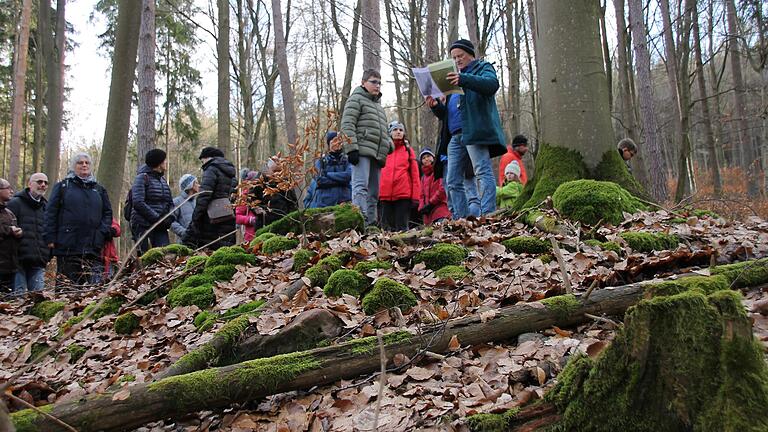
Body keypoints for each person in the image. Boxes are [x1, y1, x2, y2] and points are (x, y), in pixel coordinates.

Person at [426, 39, 506, 219]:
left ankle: (487, 214)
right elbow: (447, 114)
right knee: (452, 180)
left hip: (474, 131)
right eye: (454, 57)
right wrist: (435, 106)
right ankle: (460, 220)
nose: (457, 60)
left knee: (482, 171)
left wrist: (464, 79)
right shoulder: (452, 77)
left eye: (460, 56)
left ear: (470, 54)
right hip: (454, 136)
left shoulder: (482, 68)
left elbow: (491, 85)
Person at [44, 153, 113, 286]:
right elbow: (50, 213)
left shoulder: (99, 189)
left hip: (93, 245)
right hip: (68, 244)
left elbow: (108, 213)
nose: (84, 165)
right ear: (73, 166)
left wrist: (102, 232)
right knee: (67, 285)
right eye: (80, 162)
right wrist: (50, 237)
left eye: (87, 162)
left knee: (90, 286)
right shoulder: (63, 187)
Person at [340, 69, 393, 226]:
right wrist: (351, 148)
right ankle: (359, 222)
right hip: (361, 151)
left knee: (374, 193)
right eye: (373, 82)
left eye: (379, 82)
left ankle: (371, 223)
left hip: (377, 155)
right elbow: (347, 124)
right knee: (360, 188)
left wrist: (388, 145)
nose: (377, 85)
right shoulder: (355, 99)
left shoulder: (379, 107)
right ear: (363, 83)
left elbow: (383, 131)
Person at [183, 147, 238, 250]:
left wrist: (196, 217)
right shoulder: (232, 174)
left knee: (208, 251)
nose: (202, 164)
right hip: (228, 216)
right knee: (225, 249)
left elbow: (204, 195)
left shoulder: (211, 169)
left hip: (211, 220)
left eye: (202, 160)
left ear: (208, 158)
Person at [7, 173, 50, 293]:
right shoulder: (15, 203)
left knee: (38, 300)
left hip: (39, 261)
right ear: (29, 184)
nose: (43, 185)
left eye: (46, 183)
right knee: (17, 301)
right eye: (39, 182)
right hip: (18, 262)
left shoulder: (47, 207)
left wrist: (47, 254)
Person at [378, 121, 421, 231]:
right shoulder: (383, 150)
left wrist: (416, 196)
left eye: (401, 130)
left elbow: (415, 174)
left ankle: (405, 248)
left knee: (402, 228)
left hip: (403, 195)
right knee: (386, 229)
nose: (398, 132)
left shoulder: (408, 150)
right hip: (384, 195)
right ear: (390, 133)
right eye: (395, 130)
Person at [130, 149, 174, 254]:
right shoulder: (141, 178)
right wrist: (157, 218)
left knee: (165, 255)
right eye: (164, 160)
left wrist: (170, 217)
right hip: (143, 226)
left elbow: (170, 203)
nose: (166, 162)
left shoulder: (163, 181)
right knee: (145, 258)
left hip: (161, 227)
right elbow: (138, 202)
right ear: (159, 163)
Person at [306, 131, 352, 209]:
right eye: (334, 140)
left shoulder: (347, 160)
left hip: (344, 203)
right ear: (329, 144)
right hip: (325, 205)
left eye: (339, 140)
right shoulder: (321, 161)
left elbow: (348, 176)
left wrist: (327, 174)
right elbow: (320, 180)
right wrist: (341, 181)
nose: (337, 143)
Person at [249, 159, 298, 228]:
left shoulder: (286, 181)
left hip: (285, 221)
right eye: (274, 171)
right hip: (265, 222)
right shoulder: (260, 180)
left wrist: (292, 218)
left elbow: (293, 202)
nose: (277, 174)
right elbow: (250, 198)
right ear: (268, 169)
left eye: (279, 171)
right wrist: (256, 209)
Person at [417, 148, 450, 225]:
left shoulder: (438, 171)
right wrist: (421, 207)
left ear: (433, 157)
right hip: (428, 214)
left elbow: (442, 189)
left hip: (441, 210)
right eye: (423, 158)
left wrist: (431, 203)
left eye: (428, 156)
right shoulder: (423, 177)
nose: (426, 159)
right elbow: (421, 195)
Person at [0, 179, 22, 293]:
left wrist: (18, 234)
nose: (11, 191)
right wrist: (9, 230)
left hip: (10, 266)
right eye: (7, 188)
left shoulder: (9, 213)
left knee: (8, 302)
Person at [171, 174, 198, 242]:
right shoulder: (176, 202)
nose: (199, 185)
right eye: (196, 183)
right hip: (183, 243)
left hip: (198, 242)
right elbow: (171, 222)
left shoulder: (197, 202)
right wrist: (185, 233)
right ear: (190, 185)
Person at [236, 170, 261, 243]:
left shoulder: (267, 192)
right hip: (251, 237)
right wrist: (249, 219)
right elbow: (237, 217)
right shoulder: (245, 196)